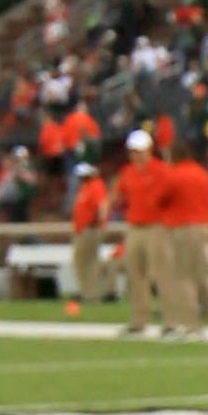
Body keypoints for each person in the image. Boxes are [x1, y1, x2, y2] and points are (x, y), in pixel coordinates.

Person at [161, 136, 208, 337]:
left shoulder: (174, 175)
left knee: (184, 276)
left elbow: (160, 199)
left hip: (181, 227)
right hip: (202, 227)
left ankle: (191, 323)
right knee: (206, 275)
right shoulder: (203, 174)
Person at [111, 124, 168, 337]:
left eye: (139, 151)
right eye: (132, 151)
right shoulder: (128, 172)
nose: (135, 155)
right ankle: (139, 320)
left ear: (149, 150)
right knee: (136, 274)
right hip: (135, 226)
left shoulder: (161, 170)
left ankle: (170, 319)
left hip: (157, 226)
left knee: (161, 274)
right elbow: (120, 195)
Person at [68, 158, 113, 313]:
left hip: (90, 229)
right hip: (83, 230)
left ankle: (91, 294)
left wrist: (99, 224)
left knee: (88, 261)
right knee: (82, 261)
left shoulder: (96, 186)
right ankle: (87, 292)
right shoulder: (86, 187)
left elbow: (102, 206)